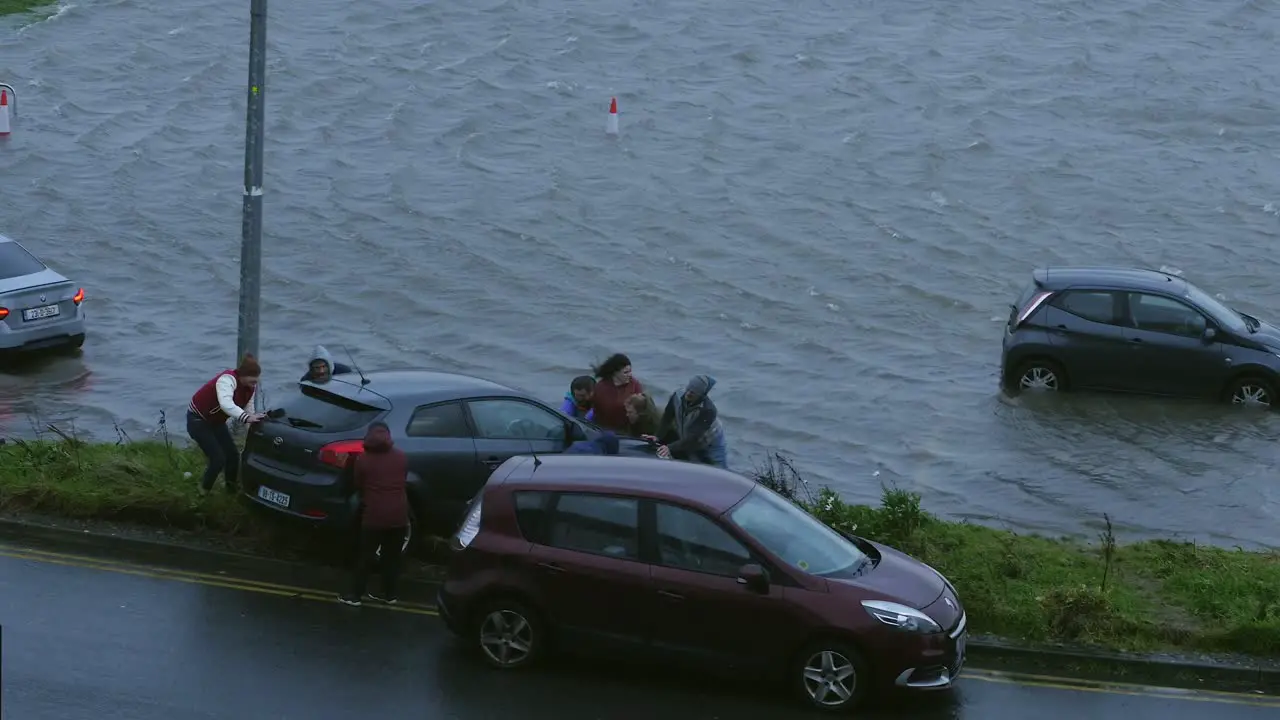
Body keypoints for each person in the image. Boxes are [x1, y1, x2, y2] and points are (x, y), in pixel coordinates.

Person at [339, 422, 409, 607]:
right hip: (400, 515)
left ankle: (355, 595)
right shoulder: (401, 456)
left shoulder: (363, 460)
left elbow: (358, 484)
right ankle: (390, 595)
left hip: (375, 516)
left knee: (366, 556)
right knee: (392, 558)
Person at [186, 353, 265, 495]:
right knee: (218, 459)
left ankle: (231, 490)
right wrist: (246, 418)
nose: (255, 384)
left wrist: (252, 429)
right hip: (198, 420)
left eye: (256, 381)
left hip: (216, 422)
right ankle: (202, 492)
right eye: (253, 381)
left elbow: (248, 408)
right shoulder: (227, 380)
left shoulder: (249, 387)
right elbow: (226, 404)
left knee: (233, 455)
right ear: (243, 376)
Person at [653, 375, 728, 469]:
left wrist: (669, 447)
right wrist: (657, 437)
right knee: (692, 461)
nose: (688, 394)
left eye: (693, 393)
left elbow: (693, 438)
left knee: (720, 471)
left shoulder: (708, 410)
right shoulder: (677, 395)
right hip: (689, 436)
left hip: (711, 440)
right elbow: (667, 418)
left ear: (701, 395)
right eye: (688, 389)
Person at [589, 353, 643, 433]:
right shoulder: (601, 387)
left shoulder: (634, 385)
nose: (630, 375)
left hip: (628, 430)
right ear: (615, 372)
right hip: (604, 429)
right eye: (626, 372)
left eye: (630, 371)